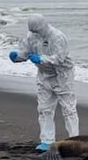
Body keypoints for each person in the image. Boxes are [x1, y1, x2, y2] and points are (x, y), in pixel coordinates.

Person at [9, 14, 79, 151]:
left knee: (68, 109)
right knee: (44, 109)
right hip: (44, 75)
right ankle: (47, 140)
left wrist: (41, 59)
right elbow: (25, 53)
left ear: (44, 26)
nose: (35, 34)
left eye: (37, 31)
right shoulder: (31, 36)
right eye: (33, 31)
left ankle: (74, 141)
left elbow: (59, 58)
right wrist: (17, 57)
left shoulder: (58, 37)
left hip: (62, 75)